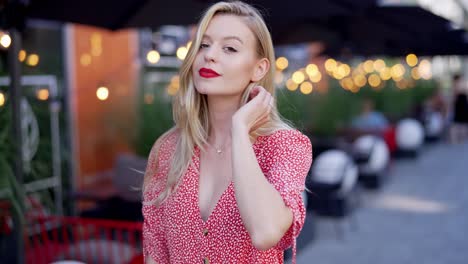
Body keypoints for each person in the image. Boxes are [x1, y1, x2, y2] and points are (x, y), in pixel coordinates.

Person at [141, 1, 312, 264]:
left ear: (259, 68)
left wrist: (240, 131)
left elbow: (266, 233)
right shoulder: (168, 149)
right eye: (203, 45)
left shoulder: (284, 145)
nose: (210, 55)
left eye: (229, 48)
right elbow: (156, 252)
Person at [450, 74, 468, 143]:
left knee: (459, 122)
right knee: (459, 122)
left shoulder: (457, 86)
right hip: (460, 106)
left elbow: (454, 97)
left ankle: (457, 138)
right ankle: (458, 138)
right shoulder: (460, 85)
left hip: (461, 106)